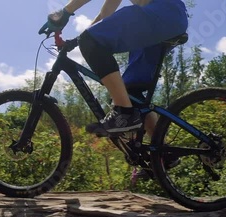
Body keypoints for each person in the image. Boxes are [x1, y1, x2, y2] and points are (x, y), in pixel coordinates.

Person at [40, 0, 189, 136]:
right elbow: (106, 17)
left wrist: (65, 12)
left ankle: (124, 113)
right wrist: (78, 40)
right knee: (131, 92)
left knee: (91, 41)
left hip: (160, 13)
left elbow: (94, 36)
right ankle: (162, 156)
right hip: (168, 19)